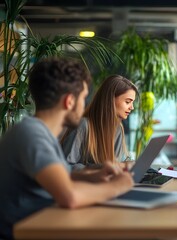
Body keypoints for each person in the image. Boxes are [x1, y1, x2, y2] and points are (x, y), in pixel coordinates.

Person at [0, 58, 133, 239]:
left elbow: (58, 174)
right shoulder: (32, 135)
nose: (84, 105)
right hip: (27, 233)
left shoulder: (39, 132)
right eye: (83, 98)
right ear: (69, 101)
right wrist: (118, 186)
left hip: (45, 224)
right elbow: (70, 197)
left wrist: (92, 175)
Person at [61, 75, 138, 170]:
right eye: (127, 102)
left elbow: (114, 166)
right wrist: (100, 169)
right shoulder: (83, 125)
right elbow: (64, 167)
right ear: (110, 100)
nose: (132, 107)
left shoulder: (118, 129)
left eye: (132, 102)